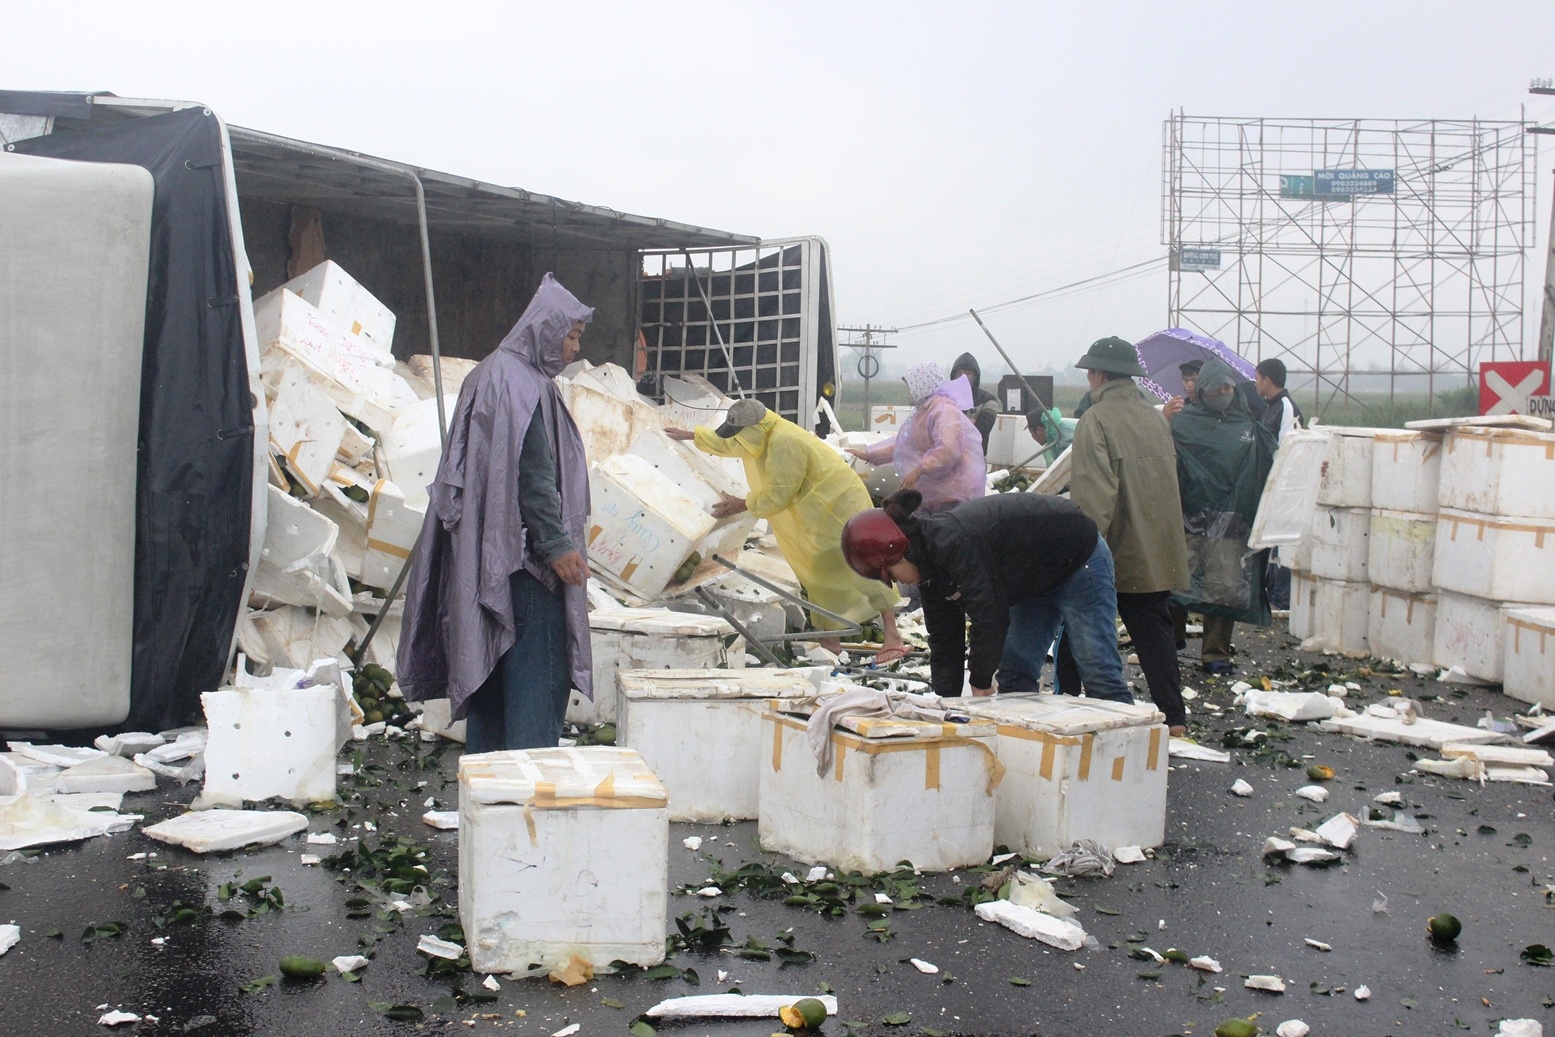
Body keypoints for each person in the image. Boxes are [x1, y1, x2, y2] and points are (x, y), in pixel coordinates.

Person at [398, 274, 595, 752]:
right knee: (536, 676)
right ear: (545, 330)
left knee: (489, 668)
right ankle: (528, 785)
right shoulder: (524, 385)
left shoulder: (487, 373)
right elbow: (532, 474)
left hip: (484, 554)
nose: (571, 350)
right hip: (525, 563)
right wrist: (556, 545)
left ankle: (485, 788)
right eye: (570, 336)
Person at [840, 490, 1134, 704]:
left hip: (1078, 560)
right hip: (1031, 578)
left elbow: (989, 616)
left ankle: (1127, 767)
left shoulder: (955, 543)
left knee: (1097, 668)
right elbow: (945, 639)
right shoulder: (929, 568)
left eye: (890, 574)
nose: (895, 582)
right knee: (1016, 673)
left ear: (899, 549)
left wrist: (980, 681)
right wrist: (947, 704)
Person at [665, 400, 906, 660]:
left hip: (838, 504)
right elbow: (731, 442)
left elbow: (779, 494)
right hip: (815, 509)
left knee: (861, 563)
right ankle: (830, 640)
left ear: (754, 428)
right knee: (819, 571)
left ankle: (892, 635)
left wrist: (741, 504)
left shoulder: (783, 442)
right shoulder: (761, 435)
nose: (739, 439)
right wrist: (693, 436)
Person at [1063, 336, 1192, 735]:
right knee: (1155, 635)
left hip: (1114, 548)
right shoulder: (1155, 418)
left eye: (1089, 373)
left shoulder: (1096, 421)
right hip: (1156, 546)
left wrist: (1080, 552)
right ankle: (1174, 718)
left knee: (1078, 623)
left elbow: (1094, 494)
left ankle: (1062, 703)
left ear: (1099, 374)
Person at [1170, 357, 1278, 675]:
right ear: (1203, 390)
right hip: (1188, 515)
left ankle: (1215, 653)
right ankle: (1171, 639)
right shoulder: (1182, 422)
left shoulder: (1246, 427)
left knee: (1225, 588)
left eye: (1229, 387)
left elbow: (1274, 457)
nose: (1224, 392)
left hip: (1230, 519)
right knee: (1177, 581)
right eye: (1217, 387)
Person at [847, 362, 985, 513]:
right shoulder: (926, 410)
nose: (909, 393)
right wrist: (869, 454)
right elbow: (905, 445)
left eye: (910, 387)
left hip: (952, 496)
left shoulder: (944, 410)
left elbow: (948, 450)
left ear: (921, 385)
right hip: (935, 496)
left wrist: (919, 470)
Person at [950, 352, 1001, 453]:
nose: (963, 378)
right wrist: (969, 422)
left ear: (976, 376)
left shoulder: (989, 401)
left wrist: (953, 426)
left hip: (975, 459)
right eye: (959, 373)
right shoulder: (947, 399)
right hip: (947, 458)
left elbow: (980, 430)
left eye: (969, 374)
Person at [1253, 358, 1303, 444]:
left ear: (1266, 380)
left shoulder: (1287, 408)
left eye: (1256, 379)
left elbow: (1286, 450)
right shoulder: (1269, 406)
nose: (1255, 383)